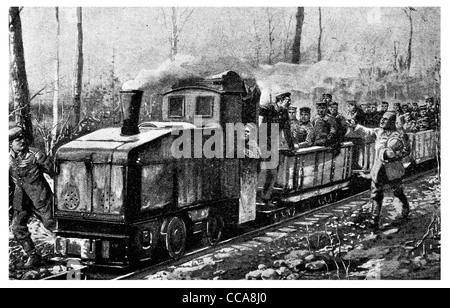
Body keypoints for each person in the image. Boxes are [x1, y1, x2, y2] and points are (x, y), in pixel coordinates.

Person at [346, 112, 411, 229]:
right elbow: (367, 131)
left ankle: (405, 207)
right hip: (378, 169)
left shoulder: (398, 135)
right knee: (376, 194)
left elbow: (406, 151)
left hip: (393, 170)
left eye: (385, 120)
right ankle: (374, 219)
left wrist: (394, 155)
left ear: (391, 122)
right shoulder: (379, 132)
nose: (382, 121)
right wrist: (355, 126)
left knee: (397, 191)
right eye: (382, 119)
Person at [9, 126, 55, 268]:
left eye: (23, 138)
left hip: (40, 198)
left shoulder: (36, 155)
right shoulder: (6, 160)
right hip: (20, 200)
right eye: (18, 140)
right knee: (17, 228)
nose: (22, 141)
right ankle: (33, 256)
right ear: (10, 144)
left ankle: (68, 254)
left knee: (52, 225)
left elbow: (56, 173)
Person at [259, 91, 292, 206]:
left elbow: (287, 130)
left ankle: (266, 197)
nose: (289, 103)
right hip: (261, 142)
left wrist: (291, 147)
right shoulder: (268, 109)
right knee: (262, 171)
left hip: (272, 145)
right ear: (280, 100)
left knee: (272, 172)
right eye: (287, 101)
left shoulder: (284, 112)